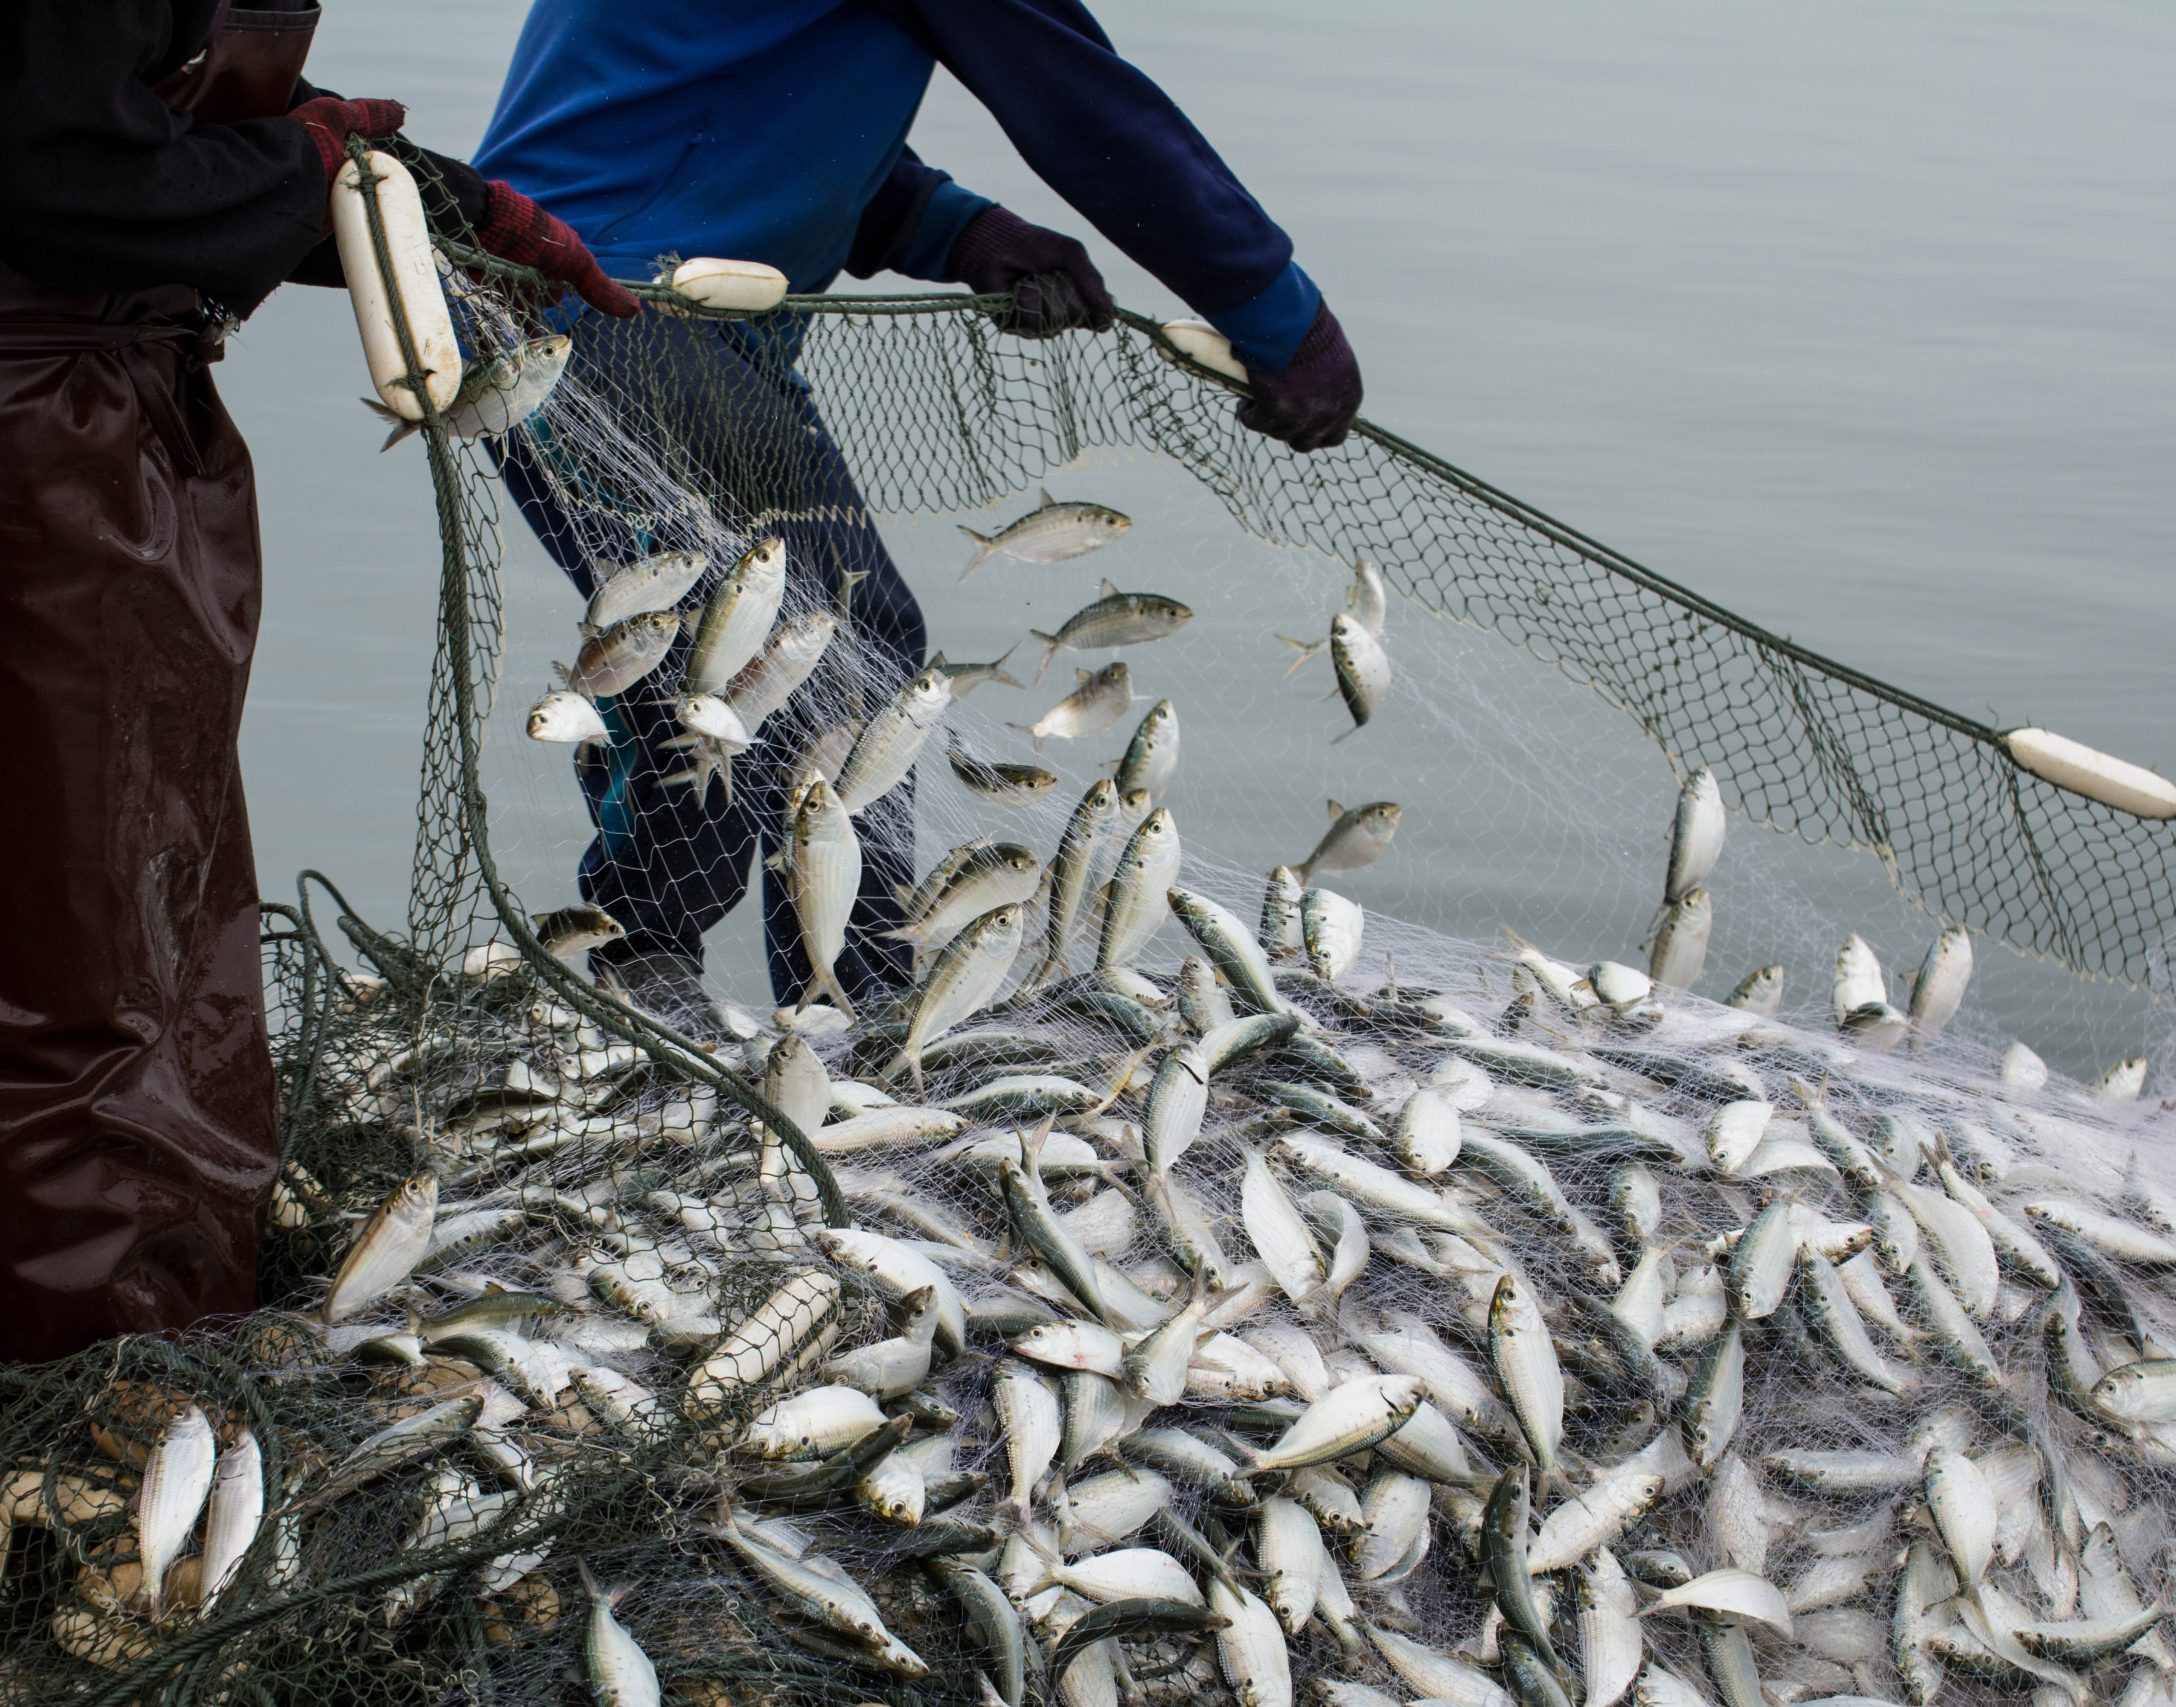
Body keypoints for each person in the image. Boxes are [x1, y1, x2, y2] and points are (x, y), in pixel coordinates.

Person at [476, 0, 1365, 1022]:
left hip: (630, 300)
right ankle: (667, 979)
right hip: (610, 312)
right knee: (746, 653)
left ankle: (834, 1001)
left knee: (838, 646)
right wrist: (1280, 315)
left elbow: (738, 93)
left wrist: (957, 228)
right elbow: (1086, 113)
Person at [0, 0, 633, 1362]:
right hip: (35, 453)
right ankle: (102, 1381)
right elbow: (53, 177)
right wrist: (310, 173)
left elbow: (132, 115)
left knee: (144, 912)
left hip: (97, 414)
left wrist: (440, 204)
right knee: (82, 960)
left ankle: (154, 1321)